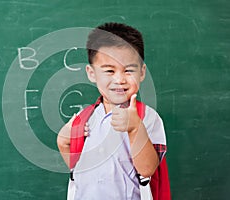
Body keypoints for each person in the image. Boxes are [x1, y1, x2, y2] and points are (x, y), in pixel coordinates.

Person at [57, 22, 168, 200]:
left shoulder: (147, 117)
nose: (119, 79)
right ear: (91, 73)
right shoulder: (86, 118)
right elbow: (76, 169)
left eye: (129, 70)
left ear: (142, 72)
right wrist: (63, 142)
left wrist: (135, 129)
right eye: (109, 70)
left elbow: (148, 169)